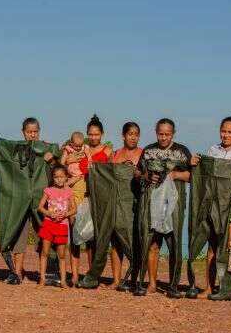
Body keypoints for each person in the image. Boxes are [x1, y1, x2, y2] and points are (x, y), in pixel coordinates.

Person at [190, 116, 231, 298]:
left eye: (230, 132)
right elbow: (205, 178)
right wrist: (195, 164)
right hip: (213, 206)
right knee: (212, 245)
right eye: (223, 131)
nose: (225, 135)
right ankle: (209, 288)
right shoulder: (214, 150)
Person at [136, 118, 191, 297]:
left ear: (173, 134)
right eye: (161, 134)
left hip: (174, 204)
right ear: (156, 132)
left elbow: (192, 176)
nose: (164, 137)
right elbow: (136, 172)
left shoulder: (182, 151)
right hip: (152, 203)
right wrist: (145, 175)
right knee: (152, 242)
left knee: (174, 244)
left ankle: (173, 286)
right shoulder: (148, 150)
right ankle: (151, 283)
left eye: (167, 134)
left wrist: (175, 174)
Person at [6, 117, 57, 285]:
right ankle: (16, 272)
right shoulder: (16, 149)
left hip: (41, 199)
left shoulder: (47, 148)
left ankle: (48, 272)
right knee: (19, 233)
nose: (32, 135)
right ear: (23, 132)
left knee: (43, 233)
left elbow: (57, 172)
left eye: (35, 132)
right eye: (29, 132)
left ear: (39, 132)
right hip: (20, 199)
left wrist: (52, 160)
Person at [68, 115, 111, 286]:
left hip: (96, 197)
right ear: (87, 134)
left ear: (102, 134)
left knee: (92, 238)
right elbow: (66, 165)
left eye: (97, 134)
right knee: (75, 236)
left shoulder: (107, 151)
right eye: (91, 134)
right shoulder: (79, 149)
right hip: (78, 195)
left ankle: (92, 275)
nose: (93, 137)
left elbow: (107, 172)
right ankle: (74, 275)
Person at [107, 122, 143, 290]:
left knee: (134, 241)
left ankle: (135, 280)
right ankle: (116, 280)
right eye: (130, 134)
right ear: (123, 136)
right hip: (116, 202)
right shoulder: (115, 155)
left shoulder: (143, 154)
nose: (133, 137)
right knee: (116, 242)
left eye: (136, 134)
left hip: (134, 204)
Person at [37, 165, 77, 288]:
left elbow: (74, 209)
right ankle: (42, 279)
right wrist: (49, 213)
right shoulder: (48, 190)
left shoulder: (69, 191)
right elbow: (40, 207)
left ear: (66, 177)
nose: (59, 179)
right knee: (45, 252)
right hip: (48, 224)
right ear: (53, 178)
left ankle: (63, 281)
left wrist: (66, 214)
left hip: (62, 226)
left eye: (62, 177)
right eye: (56, 177)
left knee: (61, 255)